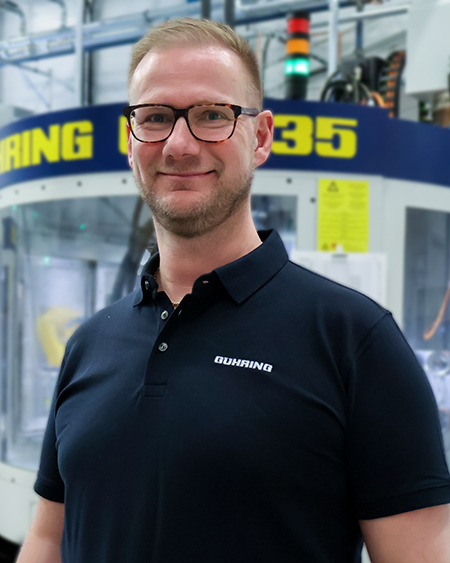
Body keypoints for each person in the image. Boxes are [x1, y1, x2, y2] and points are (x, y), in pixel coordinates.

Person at [17, 18, 450, 563]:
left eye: (212, 115)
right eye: (155, 117)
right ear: (130, 141)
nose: (179, 145)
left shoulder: (355, 341)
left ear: (261, 137)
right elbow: (48, 538)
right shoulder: (89, 344)